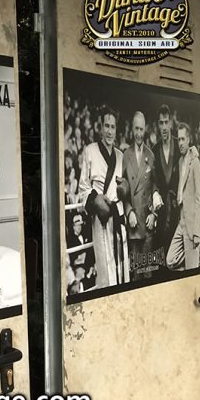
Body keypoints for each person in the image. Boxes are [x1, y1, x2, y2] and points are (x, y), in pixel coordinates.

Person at [78, 106, 128, 288]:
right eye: (106, 126)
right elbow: (83, 187)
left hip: (118, 215)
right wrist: (96, 199)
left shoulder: (120, 156)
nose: (109, 131)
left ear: (116, 130)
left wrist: (124, 188)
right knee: (105, 267)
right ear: (100, 128)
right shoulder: (90, 151)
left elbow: (124, 188)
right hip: (101, 218)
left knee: (122, 267)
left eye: (113, 127)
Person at [121, 112, 161, 281]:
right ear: (132, 129)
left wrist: (154, 214)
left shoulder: (151, 155)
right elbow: (122, 189)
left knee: (148, 274)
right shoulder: (125, 155)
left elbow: (155, 187)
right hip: (134, 223)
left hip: (147, 223)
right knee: (136, 275)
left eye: (141, 129)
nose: (138, 133)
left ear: (145, 130)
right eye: (136, 129)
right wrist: (129, 211)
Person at [166, 123, 200, 271]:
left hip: (191, 225)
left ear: (189, 140)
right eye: (179, 139)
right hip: (181, 222)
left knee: (192, 271)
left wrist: (197, 232)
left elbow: (199, 198)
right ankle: (193, 259)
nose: (180, 143)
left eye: (183, 139)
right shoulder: (181, 161)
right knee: (170, 260)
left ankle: (194, 259)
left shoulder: (195, 162)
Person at [153, 104, 180, 254]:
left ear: (170, 123)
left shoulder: (179, 145)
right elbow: (153, 181)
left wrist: (194, 151)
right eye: (161, 123)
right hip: (162, 212)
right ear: (158, 125)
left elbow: (190, 154)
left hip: (177, 210)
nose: (164, 127)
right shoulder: (154, 150)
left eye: (166, 122)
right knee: (162, 255)